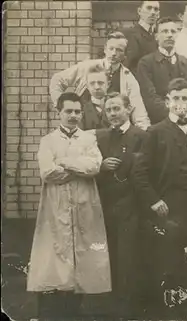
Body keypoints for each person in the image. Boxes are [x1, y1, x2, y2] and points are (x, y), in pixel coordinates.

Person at [27, 92, 111, 320]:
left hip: (84, 205)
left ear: (81, 114)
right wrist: (77, 168)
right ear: (59, 113)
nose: (73, 116)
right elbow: (47, 172)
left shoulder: (89, 139)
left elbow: (94, 165)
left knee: (81, 260)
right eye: (68, 111)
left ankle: (74, 310)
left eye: (77, 112)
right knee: (55, 259)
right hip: (56, 206)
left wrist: (63, 162)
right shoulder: (48, 141)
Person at [138, 78, 187, 319]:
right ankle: (168, 310)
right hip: (170, 205)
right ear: (167, 101)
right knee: (169, 257)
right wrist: (155, 200)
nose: (181, 103)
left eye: (185, 98)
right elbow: (140, 173)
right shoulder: (155, 132)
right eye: (176, 98)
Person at [94, 93, 149, 318]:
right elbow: (89, 162)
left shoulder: (142, 136)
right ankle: (111, 304)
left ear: (129, 109)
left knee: (129, 255)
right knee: (109, 254)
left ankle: (129, 307)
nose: (113, 114)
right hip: (106, 204)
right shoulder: (100, 137)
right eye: (109, 110)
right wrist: (101, 165)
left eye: (117, 108)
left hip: (132, 203)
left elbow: (146, 171)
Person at [50, 32, 150, 130]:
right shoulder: (87, 67)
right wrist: (61, 106)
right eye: (111, 49)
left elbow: (139, 112)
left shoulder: (128, 78)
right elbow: (57, 80)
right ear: (105, 50)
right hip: (83, 127)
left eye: (119, 50)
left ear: (125, 55)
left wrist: (144, 134)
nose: (114, 53)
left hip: (111, 132)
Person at [136, 17, 187, 125]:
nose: (169, 35)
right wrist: (174, 113)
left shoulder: (186, 63)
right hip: (159, 123)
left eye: (173, 31)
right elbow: (150, 97)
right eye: (164, 31)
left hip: (185, 121)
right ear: (156, 37)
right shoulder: (146, 63)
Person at [122, 1, 160, 75]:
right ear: (139, 11)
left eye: (156, 9)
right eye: (149, 8)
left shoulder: (159, 35)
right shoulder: (129, 34)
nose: (152, 12)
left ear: (158, 14)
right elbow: (128, 65)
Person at [79, 65, 111, 130]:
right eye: (92, 83)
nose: (97, 87)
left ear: (108, 84)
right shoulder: (81, 109)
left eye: (100, 83)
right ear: (87, 86)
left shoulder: (117, 105)